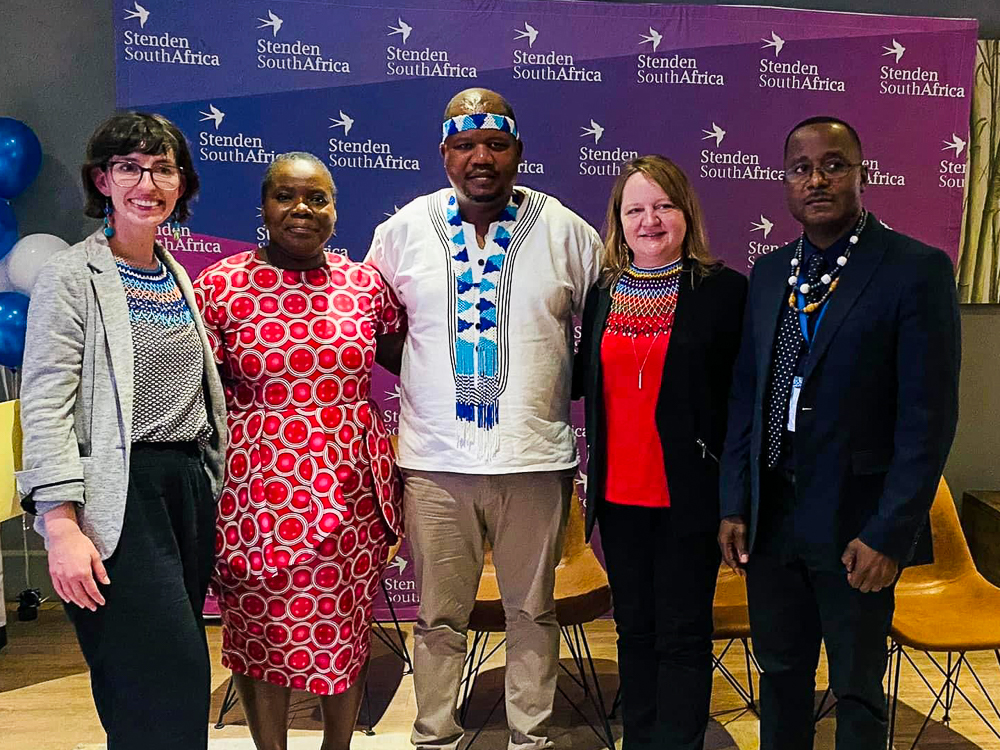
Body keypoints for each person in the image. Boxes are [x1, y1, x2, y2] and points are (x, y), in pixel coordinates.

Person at [365, 87, 602, 750]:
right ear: (445, 153)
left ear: (517, 152)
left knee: (533, 611)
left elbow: (610, 326)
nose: (482, 157)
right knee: (440, 616)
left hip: (535, 461)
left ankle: (531, 738)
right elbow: (372, 324)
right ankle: (435, 735)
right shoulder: (403, 231)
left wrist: (558, 383)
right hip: (436, 464)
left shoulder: (565, 230)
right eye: (466, 144)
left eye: (496, 144)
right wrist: (424, 374)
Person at [719, 116, 960, 749]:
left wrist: (889, 533)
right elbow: (747, 396)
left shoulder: (914, 270)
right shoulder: (770, 274)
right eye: (801, 168)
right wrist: (736, 503)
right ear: (785, 182)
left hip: (857, 523)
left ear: (861, 173)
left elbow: (928, 420)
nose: (817, 179)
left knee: (856, 687)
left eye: (834, 165)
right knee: (781, 676)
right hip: (774, 515)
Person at [16, 112, 227, 749]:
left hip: (186, 489)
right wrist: (59, 525)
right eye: (129, 167)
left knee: (148, 681)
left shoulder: (175, 274)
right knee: (170, 677)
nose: (148, 181)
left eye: (163, 168)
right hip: (120, 494)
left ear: (181, 182)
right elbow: (45, 403)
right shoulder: (71, 275)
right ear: (102, 180)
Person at [193, 151, 404, 750]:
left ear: (336, 210)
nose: (302, 210)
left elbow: (417, 363)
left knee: (345, 632)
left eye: (318, 198)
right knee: (261, 637)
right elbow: (190, 397)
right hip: (255, 495)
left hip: (351, 493)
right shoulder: (220, 285)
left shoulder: (365, 285)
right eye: (286, 196)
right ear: (263, 206)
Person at [574, 155, 746, 750]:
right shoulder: (602, 293)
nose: (650, 220)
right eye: (635, 210)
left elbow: (742, 405)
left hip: (688, 498)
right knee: (634, 632)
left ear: (686, 213)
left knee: (682, 635)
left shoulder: (724, 291)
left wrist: (736, 502)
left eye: (663, 206)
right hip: (618, 498)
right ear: (618, 223)